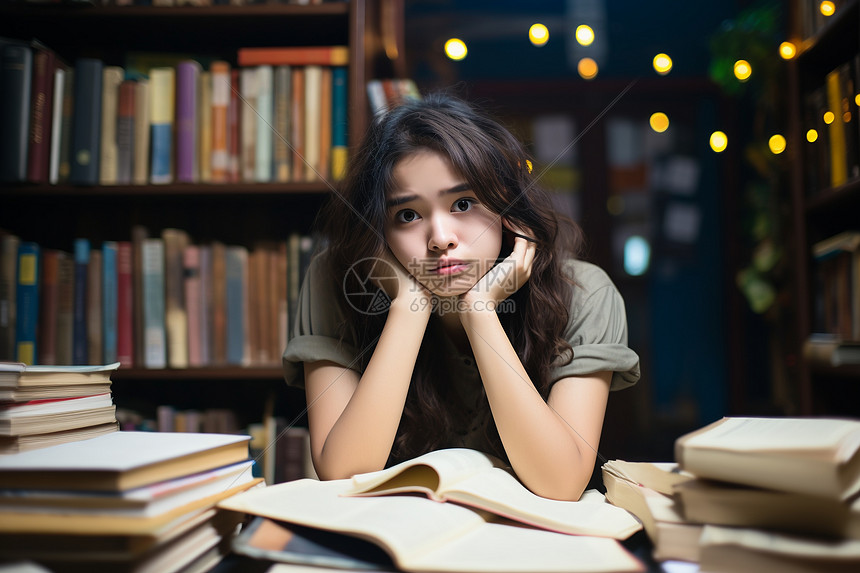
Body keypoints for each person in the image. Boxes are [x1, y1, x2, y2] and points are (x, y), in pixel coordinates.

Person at [282, 93, 639, 501]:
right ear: (377, 229)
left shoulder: (585, 293)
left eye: (463, 204)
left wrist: (480, 310)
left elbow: (561, 483)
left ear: (507, 206)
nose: (440, 238)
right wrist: (408, 305)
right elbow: (344, 472)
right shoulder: (335, 280)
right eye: (407, 215)